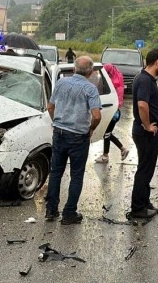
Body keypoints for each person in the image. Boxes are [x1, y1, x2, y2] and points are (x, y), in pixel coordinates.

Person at [45, 56, 102, 225]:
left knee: (56, 172)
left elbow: (50, 106)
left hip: (60, 132)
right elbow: (97, 115)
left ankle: (51, 209)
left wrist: (57, 122)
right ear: (91, 72)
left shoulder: (61, 83)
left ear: (74, 69)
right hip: (78, 136)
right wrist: (90, 129)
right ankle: (69, 213)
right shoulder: (90, 89)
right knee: (76, 176)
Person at [129, 49, 158, 218]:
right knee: (144, 170)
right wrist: (147, 126)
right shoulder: (144, 80)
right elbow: (143, 105)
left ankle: (145, 202)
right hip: (146, 133)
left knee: (147, 168)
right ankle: (138, 208)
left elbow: (155, 100)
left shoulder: (149, 79)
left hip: (148, 132)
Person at [95, 63, 130, 163]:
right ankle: (123, 149)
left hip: (113, 113)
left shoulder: (113, 83)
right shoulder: (118, 79)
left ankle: (106, 155)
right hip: (115, 112)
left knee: (107, 133)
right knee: (107, 133)